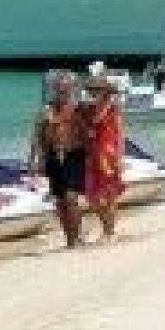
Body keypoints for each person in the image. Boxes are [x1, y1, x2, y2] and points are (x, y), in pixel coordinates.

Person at [28, 70, 86, 248]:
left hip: (73, 155)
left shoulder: (78, 109)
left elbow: (89, 132)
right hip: (52, 156)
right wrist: (33, 160)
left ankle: (76, 237)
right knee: (60, 201)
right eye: (60, 90)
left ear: (71, 89)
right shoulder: (46, 111)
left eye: (66, 90)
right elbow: (37, 137)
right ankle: (69, 239)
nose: (63, 93)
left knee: (71, 198)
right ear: (54, 90)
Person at [81, 74, 126, 242]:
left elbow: (120, 135)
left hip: (109, 155)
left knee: (110, 195)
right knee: (91, 196)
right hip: (92, 155)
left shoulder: (114, 109)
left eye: (98, 90)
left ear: (105, 91)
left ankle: (109, 232)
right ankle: (107, 226)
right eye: (92, 90)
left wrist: (120, 158)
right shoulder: (88, 110)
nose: (94, 93)